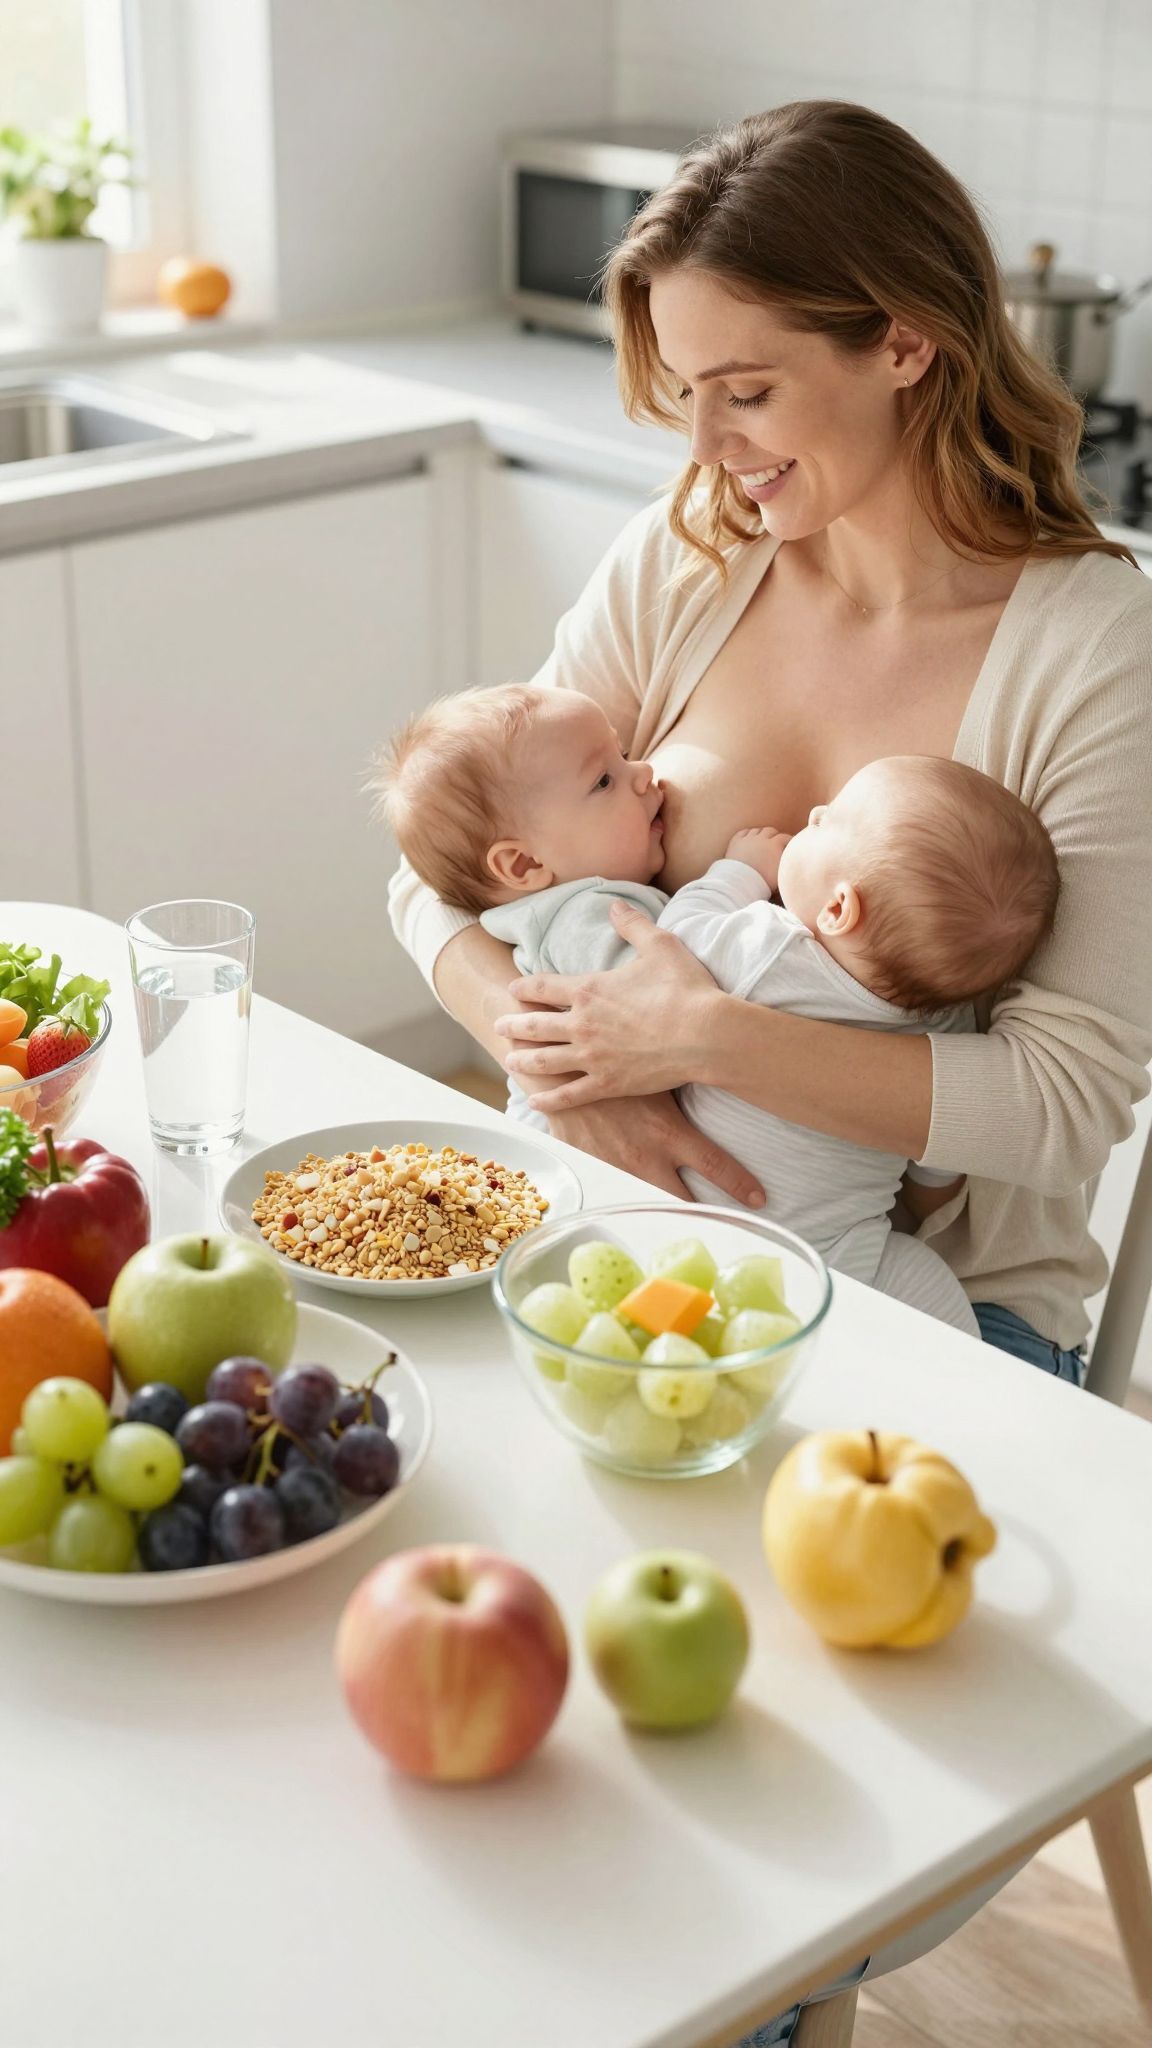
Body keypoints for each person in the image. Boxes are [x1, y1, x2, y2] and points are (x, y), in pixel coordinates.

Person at [387, 99, 1152, 2040]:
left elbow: (1066, 1107)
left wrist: (707, 1037)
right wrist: (579, 1069)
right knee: (451, 1747)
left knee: (728, 1842)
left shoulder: (1094, 649)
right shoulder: (695, 558)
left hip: (927, 1317)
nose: (705, 451)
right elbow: (440, 880)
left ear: (907, 337)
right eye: (681, 394)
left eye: (744, 391)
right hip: (598, 1247)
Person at [378, 682, 1060, 1336]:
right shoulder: (586, 919)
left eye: (825, 823)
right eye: (607, 779)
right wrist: (928, 1192)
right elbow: (938, 1149)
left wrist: (738, 874)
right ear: (522, 866)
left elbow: (682, 960)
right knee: (932, 1312)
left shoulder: (760, 944)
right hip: (826, 1243)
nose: (646, 773)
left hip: (667, 1228)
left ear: (839, 908)